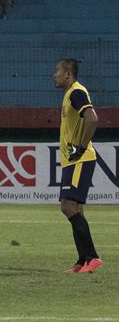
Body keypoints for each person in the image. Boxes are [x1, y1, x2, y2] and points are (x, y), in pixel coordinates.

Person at [52, 59, 102, 273]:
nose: (54, 75)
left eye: (58, 71)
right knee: (75, 208)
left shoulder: (76, 92)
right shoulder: (70, 94)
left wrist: (80, 148)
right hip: (73, 161)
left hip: (79, 160)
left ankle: (92, 258)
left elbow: (92, 119)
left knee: (68, 206)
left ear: (68, 75)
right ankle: (82, 261)